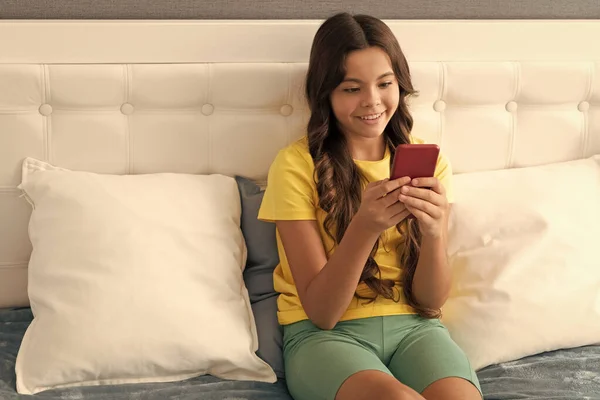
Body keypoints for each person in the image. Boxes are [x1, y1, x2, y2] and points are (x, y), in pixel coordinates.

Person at [257, 12, 483, 400]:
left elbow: (430, 301)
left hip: (415, 329)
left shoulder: (430, 164)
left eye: (385, 84)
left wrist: (432, 232)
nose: (372, 102)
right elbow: (322, 312)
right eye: (351, 88)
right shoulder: (296, 166)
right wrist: (364, 227)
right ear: (326, 92)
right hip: (324, 337)